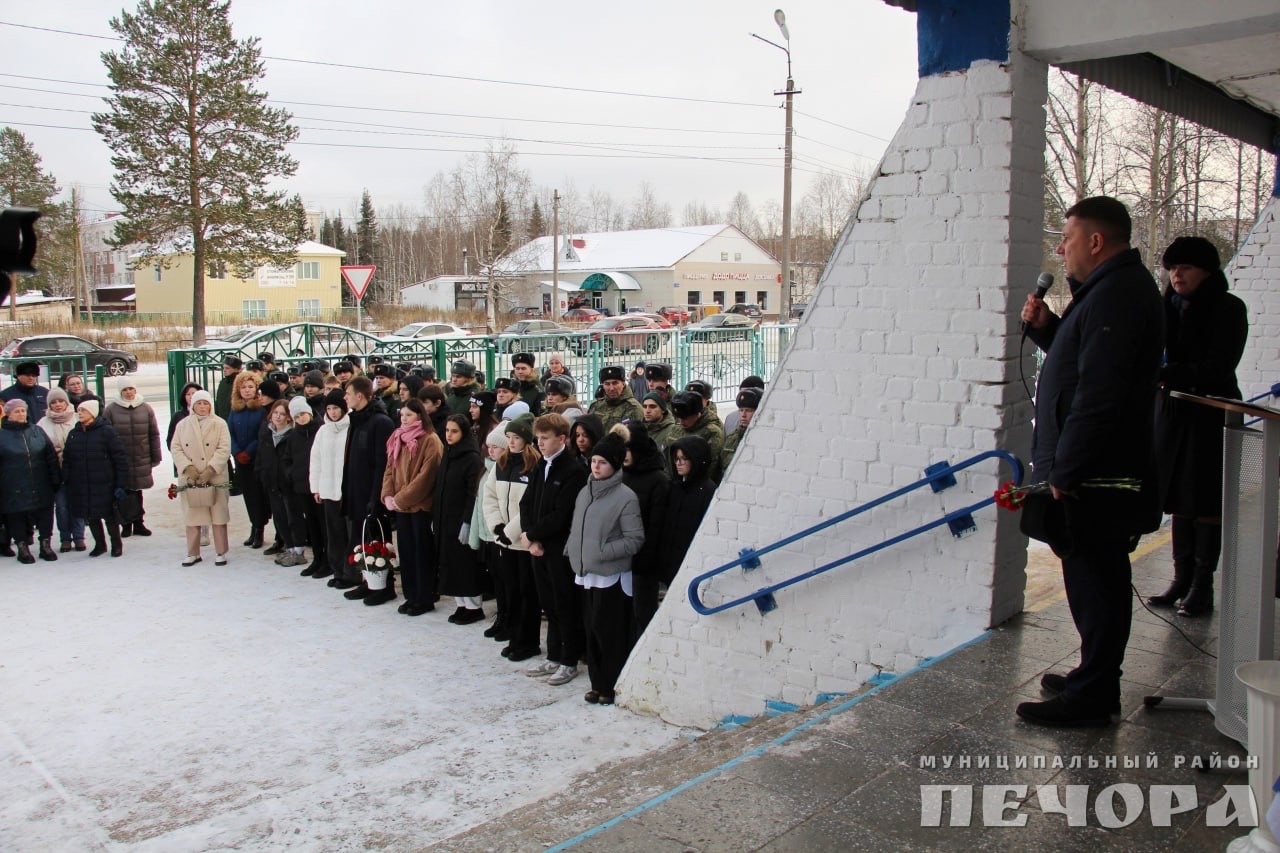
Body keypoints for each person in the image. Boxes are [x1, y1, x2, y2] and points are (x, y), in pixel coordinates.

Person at [1017, 195, 1163, 728]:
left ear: (1096, 241)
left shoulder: (1118, 295)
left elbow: (1101, 393)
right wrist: (1048, 329)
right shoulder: (1107, 292)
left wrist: (1068, 468)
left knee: (1097, 579)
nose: (1061, 248)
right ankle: (1092, 674)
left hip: (1097, 474)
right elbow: (1082, 363)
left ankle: (1095, 692)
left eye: (1069, 238)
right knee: (1088, 577)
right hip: (1093, 469)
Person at [1147, 236, 1248, 618]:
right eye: (1172, 268)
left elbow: (1218, 367)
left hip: (1210, 414)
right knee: (1177, 497)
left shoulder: (1227, 309)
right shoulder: (1167, 307)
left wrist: (1167, 372)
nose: (1176, 275)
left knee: (1204, 499)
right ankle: (1180, 578)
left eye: (1185, 267)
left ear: (1206, 270)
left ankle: (1202, 584)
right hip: (1173, 412)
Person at [566, 427, 645, 704]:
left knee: (609, 633)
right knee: (591, 631)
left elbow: (634, 539)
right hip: (586, 572)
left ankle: (611, 685)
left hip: (611, 575)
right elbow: (578, 527)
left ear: (615, 465)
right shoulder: (585, 492)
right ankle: (597, 683)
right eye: (594, 461)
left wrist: (602, 551)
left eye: (603, 463)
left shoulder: (625, 497)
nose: (596, 466)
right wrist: (572, 549)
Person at [519, 413, 590, 686]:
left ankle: (569, 659)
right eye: (538, 438)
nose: (540, 443)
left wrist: (535, 535)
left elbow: (562, 515)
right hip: (538, 547)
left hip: (559, 550)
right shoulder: (540, 465)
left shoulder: (572, 471)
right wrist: (528, 535)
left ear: (562, 439)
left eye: (545, 438)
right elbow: (527, 504)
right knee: (548, 604)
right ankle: (554, 655)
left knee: (565, 604)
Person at [484, 413, 540, 661]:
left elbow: (530, 505)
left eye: (516, 437)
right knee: (511, 592)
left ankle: (528, 641)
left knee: (528, 595)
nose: (512, 442)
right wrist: (496, 526)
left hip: (523, 542)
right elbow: (490, 497)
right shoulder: (502, 463)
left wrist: (510, 532)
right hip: (504, 541)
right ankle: (515, 637)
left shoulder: (534, 466)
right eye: (509, 437)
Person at [381, 398, 442, 616]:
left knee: (421, 554)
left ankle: (424, 597)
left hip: (420, 507)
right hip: (401, 507)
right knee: (406, 553)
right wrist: (388, 495)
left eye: (409, 415)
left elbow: (426, 477)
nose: (404, 419)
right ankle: (410, 595)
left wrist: (401, 499)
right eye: (402, 415)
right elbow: (390, 468)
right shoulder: (397, 438)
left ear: (419, 416)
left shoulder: (430, 440)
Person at [341, 376, 397, 606]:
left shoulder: (379, 422)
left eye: (348, 393)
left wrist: (376, 497)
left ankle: (384, 586)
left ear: (360, 395)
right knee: (361, 539)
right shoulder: (357, 420)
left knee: (378, 539)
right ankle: (368, 581)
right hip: (356, 491)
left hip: (371, 494)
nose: (345, 397)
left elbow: (381, 464)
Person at [169, 390, 232, 565]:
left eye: (205, 403)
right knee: (193, 515)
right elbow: (176, 447)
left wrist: (210, 469)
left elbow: (224, 448)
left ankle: (221, 551)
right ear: (192, 405)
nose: (202, 407)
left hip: (215, 475)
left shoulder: (219, 423)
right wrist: (187, 468)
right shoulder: (183, 425)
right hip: (192, 477)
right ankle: (193, 552)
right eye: (199, 403)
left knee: (218, 514)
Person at [435, 414, 486, 624]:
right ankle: (461, 604)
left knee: (465, 565)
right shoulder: (448, 453)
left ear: (463, 433)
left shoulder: (471, 458)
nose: (449, 435)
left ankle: (474, 607)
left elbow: (471, 493)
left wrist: (467, 522)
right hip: (445, 519)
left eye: (454, 431)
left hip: (460, 520)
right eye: (447, 430)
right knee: (450, 565)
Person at [621, 425, 670, 644]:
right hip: (618, 559)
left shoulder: (657, 479)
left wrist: (644, 560)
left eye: (628, 449)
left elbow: (657, 526)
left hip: (643, 563)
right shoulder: (620, 474)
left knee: (642, 613)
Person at [62, 399, 129, 558]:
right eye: (78, 410)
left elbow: (120, 458)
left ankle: (116, 544)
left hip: (104, 482)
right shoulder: (74, 433)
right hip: (82, 483)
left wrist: (120, 483)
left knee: (109, 515)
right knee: (91, 515)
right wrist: (67, 478)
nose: (80, 413)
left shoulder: (107, 431)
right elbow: (67, 459)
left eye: (83, 410)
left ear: (92, 413)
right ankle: (100, 544)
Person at [0, 398, 61, 562]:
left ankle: (45, 545)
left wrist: (55, 478)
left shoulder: (37, 431)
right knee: (17, 515)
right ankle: (22, 547)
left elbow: (50, 457)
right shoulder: (2, 436)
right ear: (8, 414)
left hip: (40, 481)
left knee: (45, 513)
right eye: (17, 411)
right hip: (13, 484)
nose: (21, 414)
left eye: (23, 410)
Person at [102, 376, 162, 537]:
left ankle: (139, 523)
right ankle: (126, 524)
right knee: (124, 491)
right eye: (125, 389)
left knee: (137, 491)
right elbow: (106, 437)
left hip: (141, 457)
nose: (128, 392)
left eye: (131, 389)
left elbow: (153, 434)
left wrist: (156, 456)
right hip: (121, 460)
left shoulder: (146, 408)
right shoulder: (111, 410)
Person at [657, 436, 717, 588]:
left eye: (684, 459)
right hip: (670, 562)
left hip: (691, 563)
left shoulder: (708, 491)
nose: (678, 463)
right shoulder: (675, 487)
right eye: (676, 459)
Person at [309, 389, 351, 586]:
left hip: (345, 492)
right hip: (327, 490)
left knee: (347, 533)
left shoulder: (351, 428)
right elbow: (315, 460)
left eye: (336, 408)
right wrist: (315, 487)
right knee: (333, 533)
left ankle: (351, 572)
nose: (333, 412)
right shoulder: (323, 431)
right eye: (329, 408)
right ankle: (337, 570)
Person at [37, 388, 85, 553]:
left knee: (77, 504)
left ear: (67, 402)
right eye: (54, 402)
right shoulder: (43, 423)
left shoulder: (77, 418)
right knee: (62, 506)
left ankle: (79, 537)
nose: (58, 405)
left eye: (61, 401)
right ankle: (65, 538)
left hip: (77, 470)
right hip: (55, 471)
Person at [258, 399, 303, 566]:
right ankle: (289, 548)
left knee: (293, 518)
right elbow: (261, 458)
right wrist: (263, 475)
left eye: (282, 414)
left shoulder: (292, 435)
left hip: (288, 485)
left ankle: (298, 549)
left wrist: (289, 477)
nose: (278, 416)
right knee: (280, 519)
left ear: (289, 417)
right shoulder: (266, 433)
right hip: (272, 484)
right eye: (275, 413)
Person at [227, 372, 270, 549]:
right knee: (248, 496)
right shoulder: (235, 410)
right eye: (243, 387)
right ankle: (253, 526)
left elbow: (261, 434)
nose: (247, 390)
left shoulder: (261, 410)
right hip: (240, 460)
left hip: (256, 459)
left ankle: (259, 528)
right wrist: (236, 451)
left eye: (251, 387)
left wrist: (248, 452)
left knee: (259, 495)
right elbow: (229, 432)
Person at [283, 396, 324, 576]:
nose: (301, 418)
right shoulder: (292, 436)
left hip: (320, 487)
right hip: (302, 486)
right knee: (312, 525)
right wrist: (292, 474)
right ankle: (317, 558)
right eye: (297, 416)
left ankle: (328, 559)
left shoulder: (320, 430)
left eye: (303, 414)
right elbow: (287, 460)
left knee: (323, 524)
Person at [670, 391, 725, 482]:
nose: (681, 422)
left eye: (685, 418)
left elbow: (710, 467)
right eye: (679, 418)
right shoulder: (676, 429)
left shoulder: (711, 432)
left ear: (698, 414)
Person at [721, 387, 762, 475]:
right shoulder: (732, 437)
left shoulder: (761, 438)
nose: (743, 415)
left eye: (748, 411)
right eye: (741, 410)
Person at [640, 391, 680, 467]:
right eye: (645, 406)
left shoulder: (672, 431)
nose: (647, 411)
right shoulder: (641, 430)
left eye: (652, 406)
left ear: (663, 409)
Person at [213, 355, 243, 420]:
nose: (224, 370)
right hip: (221, 420)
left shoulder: (242, 383)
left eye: (227, 368)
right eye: (224, 368)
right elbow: (218, 402)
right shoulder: (223, 382)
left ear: (236, 369)